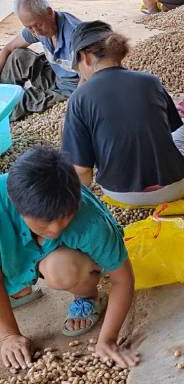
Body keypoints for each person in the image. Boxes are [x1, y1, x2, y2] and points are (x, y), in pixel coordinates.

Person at [0, 146, 138, 368]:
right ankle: (17, 288)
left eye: (65, 218)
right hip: (16, 247)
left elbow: (122, 279)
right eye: (44, 224)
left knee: (60, 270)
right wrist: (8, 336)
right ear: (19, 209)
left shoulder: (89, 221)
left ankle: (87, 296)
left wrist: (108, 339)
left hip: (67, 257)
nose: (55, 229)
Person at [61, 21, 184, 206]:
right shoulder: (151, 81)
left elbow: (82, 171)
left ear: (85, 57)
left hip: (120, 195)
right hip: (175, 189)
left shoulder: (79, 99)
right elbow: (173, 128)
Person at [0, 0, 81, 120]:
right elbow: (8, 48)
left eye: (37, 25)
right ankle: (4, 95)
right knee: (18, 56)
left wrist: (75, 110)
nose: (35, 32)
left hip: (70, 89)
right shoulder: (38, 25)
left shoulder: (76, 37)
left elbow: (90, 82)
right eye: (29, 28)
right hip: (55, 75)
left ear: (49, 12)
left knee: (12, 108)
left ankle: (9, 106)